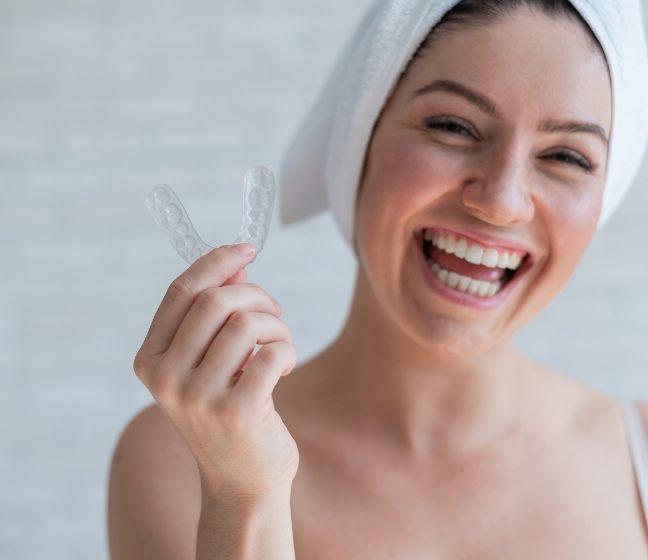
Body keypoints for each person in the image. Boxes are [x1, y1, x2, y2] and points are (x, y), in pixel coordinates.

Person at [107, 0, 648, 558]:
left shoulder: (641, 459)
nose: (501, 202)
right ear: (359, 140)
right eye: (453, 126)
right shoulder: (177, 459)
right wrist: (243, 494)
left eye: (566, 156)